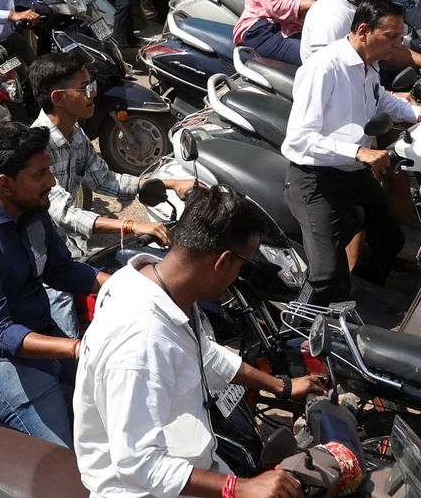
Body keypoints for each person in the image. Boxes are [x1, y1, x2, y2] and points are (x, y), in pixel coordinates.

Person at [74, 185, 327, 498]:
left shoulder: (151, 284)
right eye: (242, 265)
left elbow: (204, 353)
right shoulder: (141, 342)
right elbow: (139, 464)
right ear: (222, 261)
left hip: (192, 464)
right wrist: (241, 488)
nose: (239, 275)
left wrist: (281, 386)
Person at [0, 121, 107, 447]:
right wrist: (76, 348)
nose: (52, 182)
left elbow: (63, 271)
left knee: (116, 401)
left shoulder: (32, 211)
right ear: (6, 183)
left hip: (38, 331)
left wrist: (119, 285)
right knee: (63, 461)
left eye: (49, 171)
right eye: (39, 175)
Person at [282, 0, 418, 305]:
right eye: (391, 36)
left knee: (390, 239)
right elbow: (299, 139)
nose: (398, 44)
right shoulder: (324, 68)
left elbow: (380, 99)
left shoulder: (369, 65)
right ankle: (298, 330)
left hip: (353, 174)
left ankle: (362, 297)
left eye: (400, 36)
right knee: (326, 275)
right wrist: (358, 152)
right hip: (315, 180)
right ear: (363, 30)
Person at [30, 50, 174, 263]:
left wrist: (171, 184)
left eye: (92, 85)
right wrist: (131, 226)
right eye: (85, 88)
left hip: (72, 247)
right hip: (42, 257)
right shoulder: (37, 148)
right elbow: (63, 214)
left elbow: (105, 180)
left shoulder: (75, 132)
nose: (93, 93)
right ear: (58, 98)